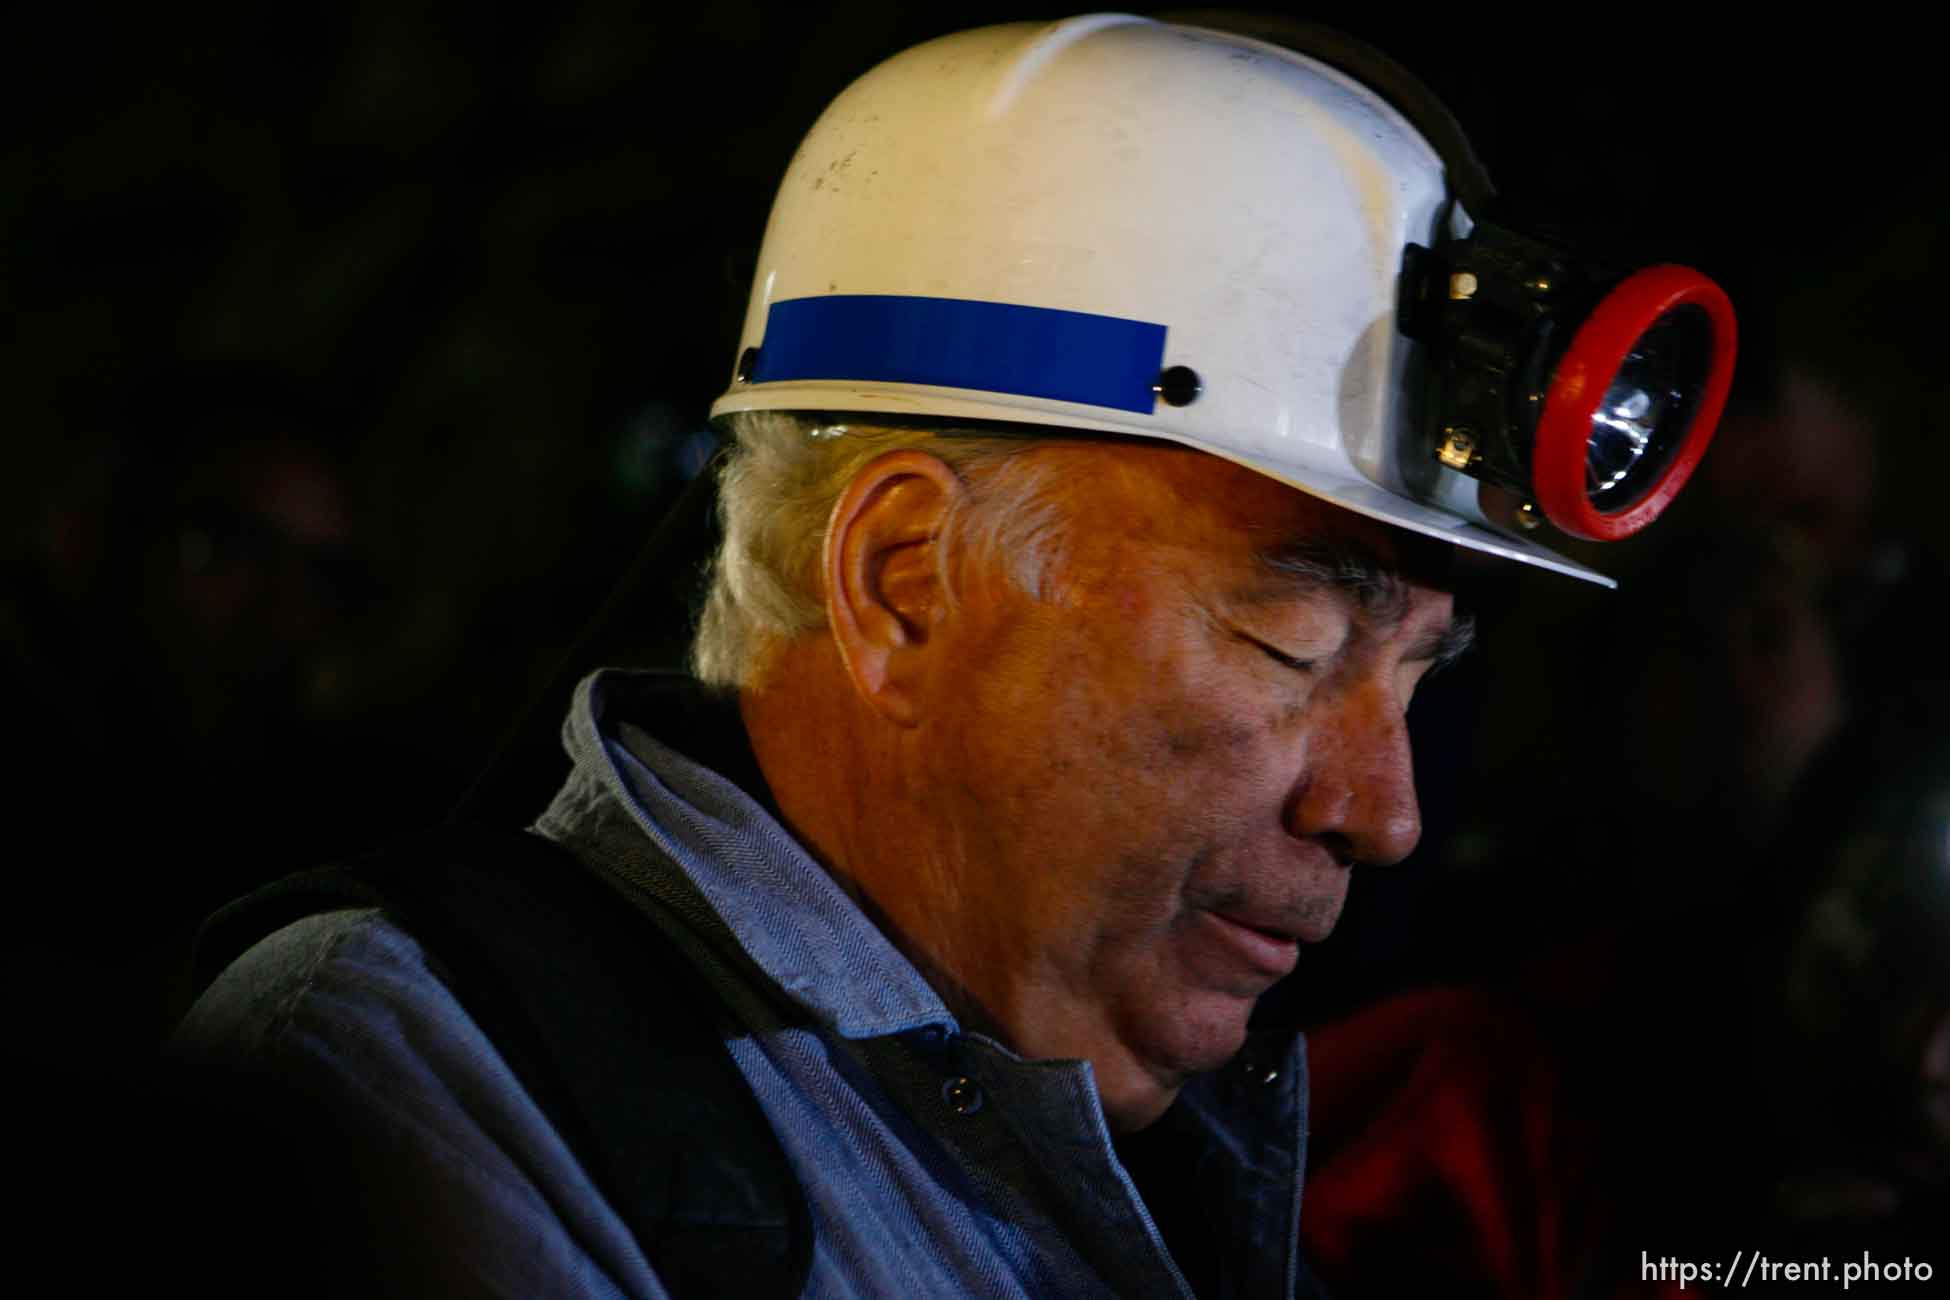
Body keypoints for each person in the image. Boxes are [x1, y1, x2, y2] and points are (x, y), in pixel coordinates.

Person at [172, 14, 1734, 1298]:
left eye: (1415, 672)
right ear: (904, 584)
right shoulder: (418, 1089)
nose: (1381, 812)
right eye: (1287, 640)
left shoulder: (1181, 1175)